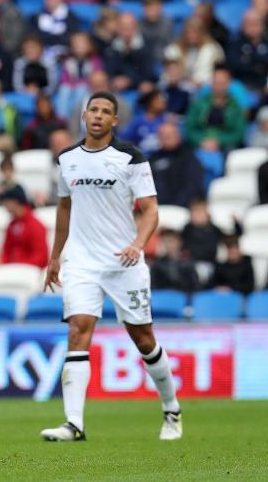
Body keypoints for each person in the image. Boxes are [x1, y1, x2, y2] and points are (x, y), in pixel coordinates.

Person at [42, 91, 182, 443]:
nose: (99, 116)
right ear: (84, 115)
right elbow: (63, 208)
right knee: (78, 329)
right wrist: (56, 256)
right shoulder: (68, 159)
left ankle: (172, 408)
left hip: (123, 262)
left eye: (106, 112)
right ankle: (74, 424)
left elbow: (150, 209)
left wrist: (137, 244)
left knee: (144, 339)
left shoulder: (130, 158)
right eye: (94, 110)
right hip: (82, 262)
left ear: (115, 121)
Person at [149, 122, 204, 208]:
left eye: (170, 135)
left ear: (178, 136)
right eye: (164, 136)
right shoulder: (153, 159)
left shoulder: (189, 158)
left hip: (182, 207)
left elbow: (192, 185)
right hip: (157, 208)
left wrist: (177, 205)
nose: (167, 138)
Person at [0, 193, 48, 267]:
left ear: (15, 202)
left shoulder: (35, 225)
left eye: (6, 203)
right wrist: (3, 262)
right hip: (12, 268)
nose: (5, 207)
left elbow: (41, 256)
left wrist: (22, 265)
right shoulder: (11, 225)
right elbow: (6, 251)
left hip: (29, 270)